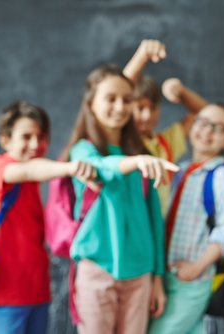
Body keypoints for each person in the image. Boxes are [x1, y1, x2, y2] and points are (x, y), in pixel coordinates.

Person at [63, 64, 179, 334]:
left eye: (126, 99)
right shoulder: (84, 150)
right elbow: (101, 168)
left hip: (140, 274)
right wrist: (136, 161)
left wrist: (157, 278)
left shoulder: (140, 153)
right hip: (96, 270)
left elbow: (154, 220)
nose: (119, 106)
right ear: (91, 104)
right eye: (110, 99)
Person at [0, 100, 97, 334]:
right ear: (5, 140)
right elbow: (30, 170)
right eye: (26, 136)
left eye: (41, 137)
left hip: (38, 292)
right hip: (3, 296)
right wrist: (72, 168)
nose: (35, 144)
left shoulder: (32, 181)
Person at [148, 103, 224, 334]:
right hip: (165, 275)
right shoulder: (179, 171)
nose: (207, 131)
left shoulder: (223, 175)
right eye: (202, 122)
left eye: (218, 128)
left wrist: (195, 268)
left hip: (191, 279)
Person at [123, 39, 208, 215]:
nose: (147, 115)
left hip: (158, 232)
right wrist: (141, 56)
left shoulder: (165, 143)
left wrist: (182, 92)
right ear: (126, 107)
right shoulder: (120, 140)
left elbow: (207, 114)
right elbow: (118, 90)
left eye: (153, 108)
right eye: (139, 108)